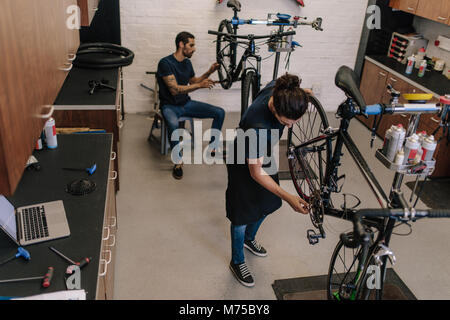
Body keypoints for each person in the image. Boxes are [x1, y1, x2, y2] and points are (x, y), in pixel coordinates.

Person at [225, 74, 310, 287]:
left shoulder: (279, 90)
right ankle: (237, 261)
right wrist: (291, 197)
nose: (289, 127)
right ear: (275, 110)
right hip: (242, 161)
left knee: (269, 203)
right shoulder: (258, 128)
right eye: (285, 122)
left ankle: (248, 239)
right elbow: (255, 173)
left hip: (262, 155)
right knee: (241, 215)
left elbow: (286, 84)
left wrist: (303, 95)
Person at [157, 31, 225, 179]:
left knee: (219, 112)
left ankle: (213, 148)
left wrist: (209, 72)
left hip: (186, 103)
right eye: (191, 45)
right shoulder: (165, 63)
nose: (194, 48)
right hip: (169, 106)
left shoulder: (187, 63)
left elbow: (193, 81)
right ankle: (178, 161)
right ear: (181, 45)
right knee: (174, 125)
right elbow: (175, 90)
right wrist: (200, 85)